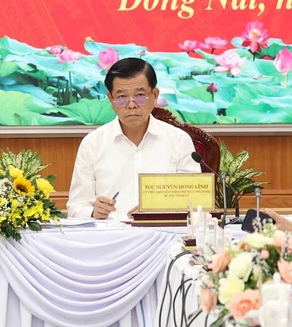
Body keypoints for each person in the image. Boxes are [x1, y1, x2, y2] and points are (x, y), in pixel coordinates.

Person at [67, 57, 201, 220]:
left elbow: (195, 203)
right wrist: (93, 212)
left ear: (155, 95)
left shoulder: (179, 140)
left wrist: (159, 209)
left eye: (139, 95)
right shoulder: (92, 143)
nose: (131, 104)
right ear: (111, 99)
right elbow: (75, 207)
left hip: (163, 237)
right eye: (122, 97)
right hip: (110, 239)